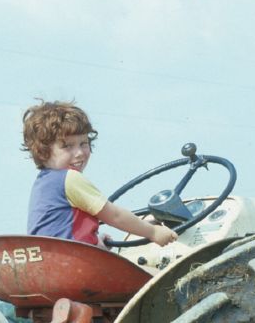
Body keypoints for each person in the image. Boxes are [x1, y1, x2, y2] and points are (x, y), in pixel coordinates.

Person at [23, 100, 178, 248]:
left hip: (54, 258)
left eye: (84, 143)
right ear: (43, 152)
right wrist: (153, 231)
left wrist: (94, 241)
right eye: (68, 146)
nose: (79, 153)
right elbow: (114, 215)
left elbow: (59, 229)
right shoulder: (69, 178)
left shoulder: (43, 183)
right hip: (71, 258)